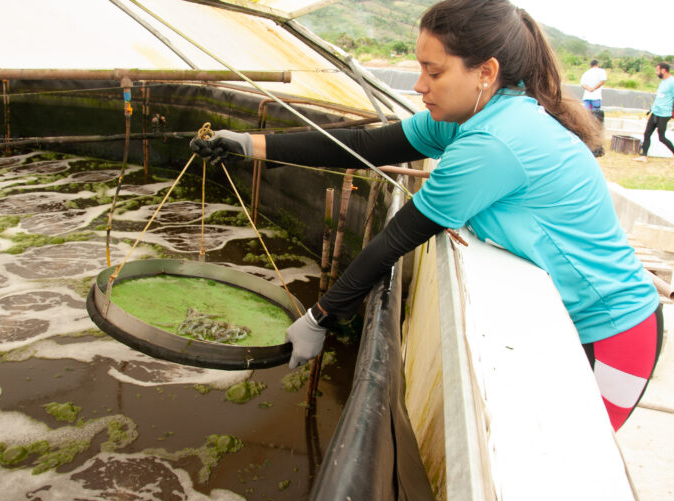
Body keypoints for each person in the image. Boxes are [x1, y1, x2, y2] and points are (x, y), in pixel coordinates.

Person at [190, 0, 663, 431]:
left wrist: (319, 316)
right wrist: (249, 144)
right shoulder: (475, 115)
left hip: (616, 332)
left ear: (486, 71)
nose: (419, 86)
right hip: (566, 319)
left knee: (571, 462)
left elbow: (397, 237)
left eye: (432, 72)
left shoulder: (492, 143)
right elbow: (365, 145)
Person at [634, 62, 674, 163]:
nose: (656, 72)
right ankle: (644, 156)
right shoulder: (663, 82)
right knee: (647, 134)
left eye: (657, 70)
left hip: (664, 113)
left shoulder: (672, 82)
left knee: (661, 137)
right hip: (656, 112)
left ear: (663, 70)